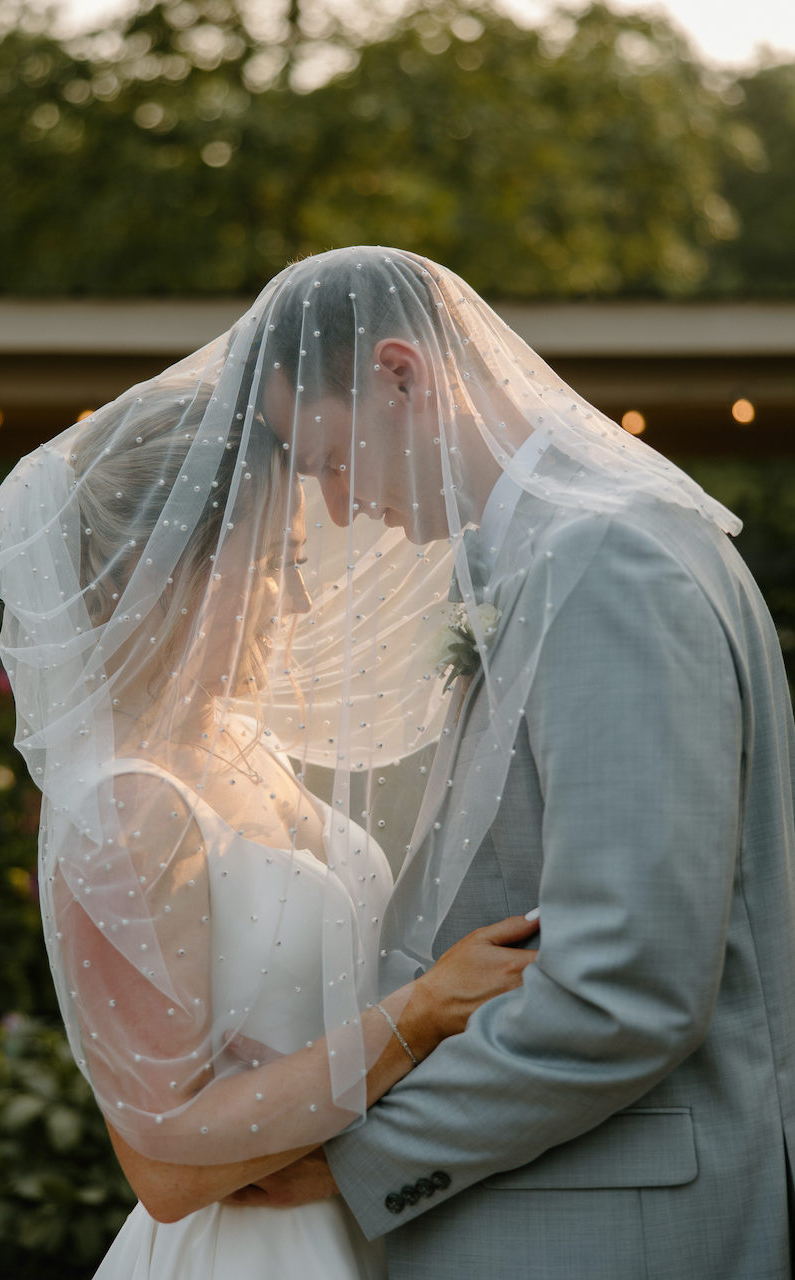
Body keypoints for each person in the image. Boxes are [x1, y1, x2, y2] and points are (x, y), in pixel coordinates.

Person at [238, 246, 793, 1279]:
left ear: (404, 375)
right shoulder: (535, 555)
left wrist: (358, 1151)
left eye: (328, 459)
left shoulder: (604, 560)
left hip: (609, 1226)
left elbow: (623, 983)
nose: (341, 505)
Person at [0, 363, 539, 1280]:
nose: (302, 605)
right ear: (162, 580)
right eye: (276, 569)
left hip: (361, 1223)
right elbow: (164, 1166)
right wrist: (422, 1013)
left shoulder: (245, 749)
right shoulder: (128, 806)